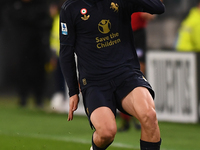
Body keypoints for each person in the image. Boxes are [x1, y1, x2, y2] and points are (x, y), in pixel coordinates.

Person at [59, 0, 165, 150]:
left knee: (149, 116)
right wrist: (73, 92)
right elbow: (66, 53)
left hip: (126, 74)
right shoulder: (70, 8)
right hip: (95, 82)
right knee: (106, 133)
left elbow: (158, 8)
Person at [1, 0, 52, 107]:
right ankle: (23, 98)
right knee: (21, 69)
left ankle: (39, 99)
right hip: (20, 44)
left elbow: (46, 21)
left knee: (39, 69)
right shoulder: (15, 5)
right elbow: (10, 17)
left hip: (38, 43)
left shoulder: (40, 5)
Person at [118, 12, 155, 132]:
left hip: (136, 34)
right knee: (126, 76)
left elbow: (149, 15)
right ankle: (128, 118)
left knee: (137, 76)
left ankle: (137, 117)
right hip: (126, 34)